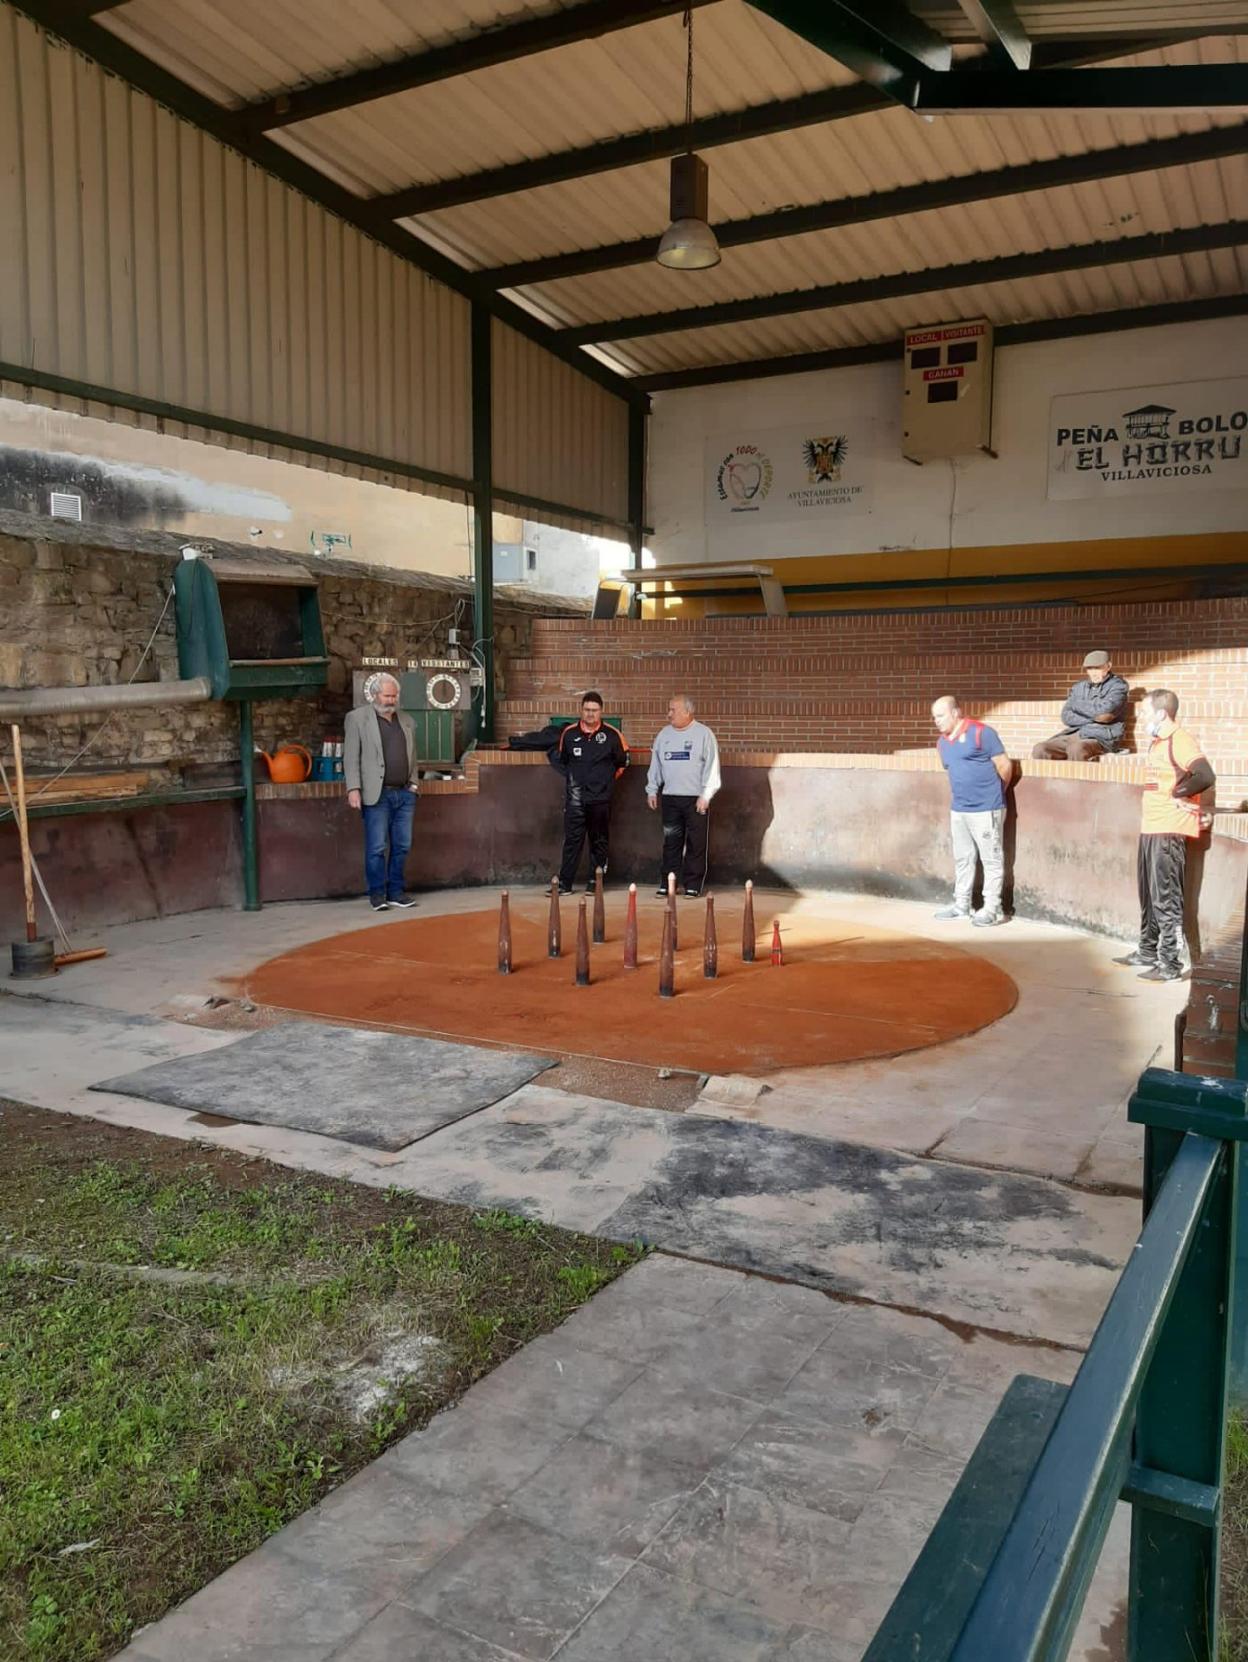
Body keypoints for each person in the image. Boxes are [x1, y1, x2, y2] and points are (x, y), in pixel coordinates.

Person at [1114, 689, 1215, 982]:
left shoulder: (1179, 739)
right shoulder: (1158, 741)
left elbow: (1205, 775)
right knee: (1149, 895)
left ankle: (1170, 964)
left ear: (1161, 713)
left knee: (1166, 899)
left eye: (1146, 711)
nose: (1141, 717)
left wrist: (1178, 793)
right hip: (1152, 828)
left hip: (1170, 829)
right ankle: (1147, 950)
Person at [932, 694, 1012, 927]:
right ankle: (961, 906)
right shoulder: (942, 743)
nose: (937, 721)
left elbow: (1004, 765)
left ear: (955, 713)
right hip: (959, 809)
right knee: (963, 858)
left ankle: (991, 909)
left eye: (941, 716)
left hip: (986, 808)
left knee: (991, 859)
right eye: (934, 717)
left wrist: (995, 793)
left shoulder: (982, 733)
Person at [343, 672, 420, 911]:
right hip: (376, 794)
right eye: (387, 696)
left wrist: (414, 783)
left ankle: (396, 892)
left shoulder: (406, 720)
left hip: (405, 793)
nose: (391, 700)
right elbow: (350, 757)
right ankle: (377, 894)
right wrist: (353, 788)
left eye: (394, 696)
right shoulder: (357, 719)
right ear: (375, 694)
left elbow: (413, 754)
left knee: (402, 846)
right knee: (376, 847)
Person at [549, 690, 629, 893]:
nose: (590, 714)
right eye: (587, 709)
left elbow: (622, 763)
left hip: (600, 799)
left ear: (601, 711)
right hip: (575, 800)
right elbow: (563, 761)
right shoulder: (569, 734)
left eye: (594, 710)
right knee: (572, 842)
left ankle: (595, 882)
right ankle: (565, 884)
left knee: (599, 841)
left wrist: (605, 782)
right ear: (581, 710)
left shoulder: (612, 735)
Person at [646, 694, 721, 897]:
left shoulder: (704, 734)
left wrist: (706, 795)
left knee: (696, 843)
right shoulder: (663, 735)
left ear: (688, 712)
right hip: (670, 797)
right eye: (669, 709)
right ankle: (668, 883)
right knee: (671, 842)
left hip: (695, 799)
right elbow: (656, 765)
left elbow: (712, 767)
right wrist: (652, 789)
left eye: (673, 710)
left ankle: (693, 885)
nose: (669, 714)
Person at [1032, 650, 1129, 761]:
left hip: (1101, 736)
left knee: (1076, 749)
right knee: (1041, 749)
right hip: (1076, 733)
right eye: (1090, 669)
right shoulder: (1079, 687)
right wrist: (1097, 718)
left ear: (1108, 666)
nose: (1093, 673)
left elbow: (1104, 712)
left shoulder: (1118, 686)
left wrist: (1076, 706)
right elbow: (1066, 716)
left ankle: (1077, 773)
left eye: (1097, 668)